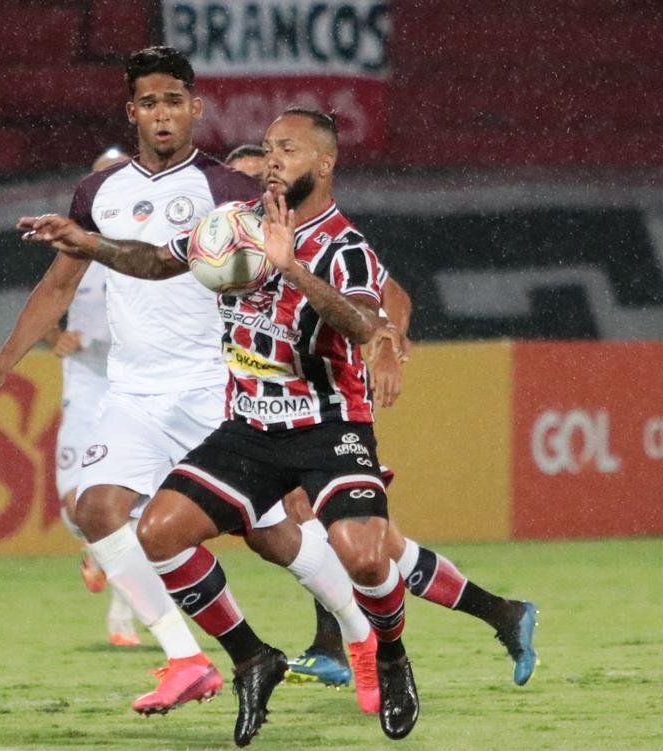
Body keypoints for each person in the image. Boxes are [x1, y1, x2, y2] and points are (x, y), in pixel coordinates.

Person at [0, 49, 376, 726]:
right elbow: (59, 284)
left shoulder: (229, 190)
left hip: (215, 388)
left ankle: (362, 636)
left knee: (272, 538)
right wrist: (3, 364)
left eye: (174, 101)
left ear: (195, 108)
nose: (162, 115)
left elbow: (280, 275)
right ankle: (191, 659)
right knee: (97, 512)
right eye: (149, 103)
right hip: (133, 392)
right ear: (132, 112)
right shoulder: (99, 194)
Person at [21, 108, 422, 744]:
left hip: (327, 424)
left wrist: (292, 269)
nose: (271, 160)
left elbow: (364, 321)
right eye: (268, 148)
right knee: (158, 531)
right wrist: (87, 241)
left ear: (323, 164)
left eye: (286, 149)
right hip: (252, 424)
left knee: (365, 555)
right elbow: (156, 260)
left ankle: (389, 653)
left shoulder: (345, 246)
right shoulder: (235, 228)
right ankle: (250, 655)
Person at [223, 142, 539, 694]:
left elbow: (391, 294)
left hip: (320, 408)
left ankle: (340, 647)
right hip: (250, 403)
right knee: (382, 546)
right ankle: (503, 614)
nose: (261, 183)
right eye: (246, 179)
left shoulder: (321, 238)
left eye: (265, 171)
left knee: (311, 514)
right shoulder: (224, 236)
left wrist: (389, 343)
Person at [51, 145, 140, 647]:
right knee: (72, 505)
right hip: (83, 386)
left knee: (127, 508)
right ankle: (92, 547)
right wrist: (54, 338)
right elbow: (47, 308)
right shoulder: (75, 249)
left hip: (131, 387)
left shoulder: (146, 250)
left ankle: (122, 617)